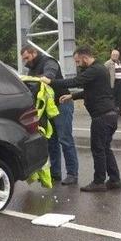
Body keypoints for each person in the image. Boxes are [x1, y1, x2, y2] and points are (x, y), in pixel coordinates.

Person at [41, 47, 121, 193]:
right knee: (105, 148)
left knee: (98, 149)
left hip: (102, 117)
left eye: (78, 61)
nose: (78, 64)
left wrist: (50, 81)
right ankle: (115, 180)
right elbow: (90, 91)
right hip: (109, 115)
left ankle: (99, 182)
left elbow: (75, 81)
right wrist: (72, 96)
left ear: (85, 58)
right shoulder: (99, 70)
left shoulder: (94, 70)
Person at [20, 45, 79, 185]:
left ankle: (72, 173)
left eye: (27, 58)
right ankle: (55, 173)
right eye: (23, 59)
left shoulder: (49, 62)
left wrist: (38, 78)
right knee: (51, 141)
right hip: (48, 108)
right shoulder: (31, 67)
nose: (25, 62)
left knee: (65, 139)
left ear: (34, 53)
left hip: (61, 104)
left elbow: (49, 76)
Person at [105, 49, 121, 116]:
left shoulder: (119, 62)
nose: (115, 56)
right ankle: (113, 111)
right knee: (113, 97)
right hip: (114, 82)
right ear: (111, 55)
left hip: (120, 82)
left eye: (117, 55)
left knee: (120, 97)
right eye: (114, 55)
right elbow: (104, 72)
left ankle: (120, 111)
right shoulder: (108, 63)